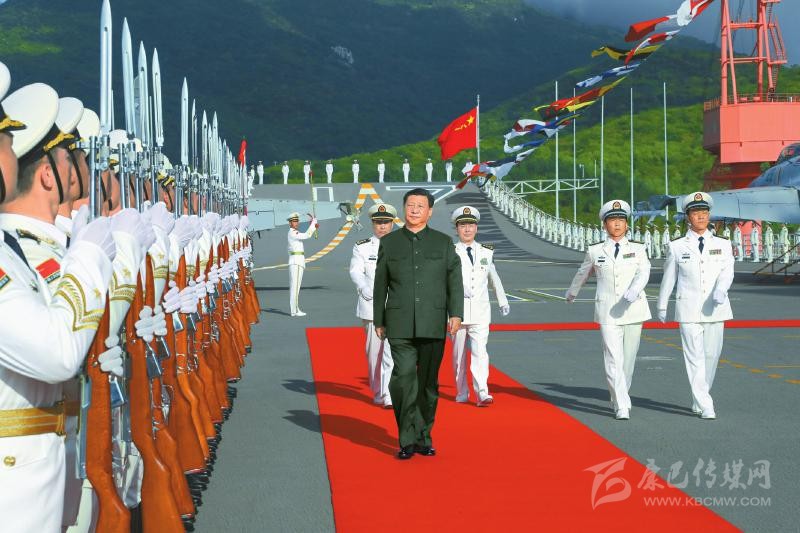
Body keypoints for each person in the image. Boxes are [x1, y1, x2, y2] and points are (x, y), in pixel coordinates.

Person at [0, 76, 121, 533]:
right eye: (6, 142)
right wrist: (94, 255)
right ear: (48, 173)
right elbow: (57, 352)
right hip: (16, 485)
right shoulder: (22, 249)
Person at [373, 188, 463, 459]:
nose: (414, 210)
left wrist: (456, 314)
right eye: (410, 205)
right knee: (403, 380)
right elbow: (380, 284)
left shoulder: (443, 243)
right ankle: (406, 439)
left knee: (427, 385)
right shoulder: (390, 243)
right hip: (399, 323)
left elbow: (454, 281)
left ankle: (424, 437)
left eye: (420, 206)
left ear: (430, 211)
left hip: (433, 322)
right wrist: (379, 319)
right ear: (404, 208)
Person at [566, 200, 651, 420]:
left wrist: (634, 290)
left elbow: (644, 272)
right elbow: (583, 272)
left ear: (627, 224)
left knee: (628, 359)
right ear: (605, 225)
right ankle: (622, 404)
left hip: (633, 309)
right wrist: (572, 292)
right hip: (607, 310)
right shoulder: (596, 250)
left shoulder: (638, 248)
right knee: (613, 358)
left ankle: (620, 394)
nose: (617, 224)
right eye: (613, 220)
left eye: (621, 220)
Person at [657, 192, 734, 420]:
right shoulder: (677, 246)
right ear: (687, 217)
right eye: (695, 212)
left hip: (716, 307)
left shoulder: (723, 244)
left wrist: (721, 290)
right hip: (688, 309)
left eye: (704, 212)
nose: (700, 216)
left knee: (711, 356)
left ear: (709, 215)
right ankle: (706, 404)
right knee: (694, 358)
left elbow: (727, 272)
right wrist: (662, 305)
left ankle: (699, 397)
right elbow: (669, 278)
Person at [450, 206, 509, 407]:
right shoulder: (450, 251)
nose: (467, 229)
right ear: (457, 229)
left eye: (471, 225)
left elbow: (494, 277)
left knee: (480, 352)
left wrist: (502, 300)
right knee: (458, 356)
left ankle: (482, 392)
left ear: (476, 228)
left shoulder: (486, 251)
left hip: (481, 311)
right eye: (463, 225)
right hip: (457, 312)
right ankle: (461, 392)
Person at [349, 203, 397, 408]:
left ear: (392, 224)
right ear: (372, 224)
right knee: (373, 353)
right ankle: (377, 390)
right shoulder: (362, 246)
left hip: (396, 306)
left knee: (391, 352)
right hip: (371, 307)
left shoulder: (403, 245)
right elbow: (355, 271)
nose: (382, 226)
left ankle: (387, 394)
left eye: (386, 222)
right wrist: (363, 287)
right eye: (378, 222)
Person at [287, 211, 318, 317]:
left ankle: (295, 309)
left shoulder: (295, 232)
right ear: (290, 223)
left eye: (297, 221)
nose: (296, 223)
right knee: (295, 287)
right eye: (294, 221)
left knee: (296, 287)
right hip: (296, 262)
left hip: (298, 261)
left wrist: (312, 224)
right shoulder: (293, 233)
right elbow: (307, 235)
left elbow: (305, 234)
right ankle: (294, 311)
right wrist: (313, 224)